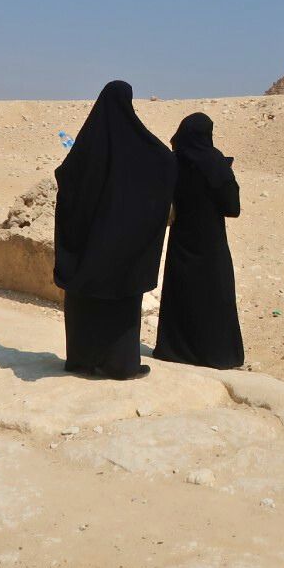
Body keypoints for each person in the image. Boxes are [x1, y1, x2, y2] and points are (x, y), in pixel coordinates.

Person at [53, 81, 176, 379]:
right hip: (123, 245)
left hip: (89, 244)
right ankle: (120, 364)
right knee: (121, 301)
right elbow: (165, 164)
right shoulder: (143, 147)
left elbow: (66, 177)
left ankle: (82, 359)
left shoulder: (87, 145)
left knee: (85, 298)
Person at [153, 113, 244, 369]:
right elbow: (232, 208)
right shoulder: (216, 163)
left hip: (182, 240)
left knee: (181, 294)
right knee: (213, 295)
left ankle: (175, 350)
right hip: (210, 242)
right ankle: (217, 355)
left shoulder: (174, 161)